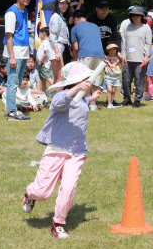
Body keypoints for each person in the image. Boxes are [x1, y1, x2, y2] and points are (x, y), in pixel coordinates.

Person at [22, 62, 102, 239]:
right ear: (76, 82)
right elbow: (59, 102)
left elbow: (80, 105)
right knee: (42, 192)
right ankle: (30, 194)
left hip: (77, 152)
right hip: (56, 149)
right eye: (85, 82)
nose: (88, 85)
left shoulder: (82, 100)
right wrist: (76, 89)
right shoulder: (62, 98)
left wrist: (92, 98)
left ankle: (58, 223)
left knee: (68, 188)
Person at [69, 9, 105, 110]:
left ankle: (83, 102)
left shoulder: (75, 28)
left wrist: (76, 58)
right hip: (100, 55)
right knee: (96, 81)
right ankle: (93, 104)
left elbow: (75, 47)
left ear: (76, 19)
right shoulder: (95, 26)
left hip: (85, 54)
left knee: (83, 80)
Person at [120, 7, 152, 108]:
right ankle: (127, 99)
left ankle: (137, 100)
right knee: (126, 80)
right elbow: (123, 42)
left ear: (141, 16)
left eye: (137, 15)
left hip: (140, 59)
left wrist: (146, 56)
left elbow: (148, 43)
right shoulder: (127, 27)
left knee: (139, 81)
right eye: (133, 15)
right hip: (128, 59)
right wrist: (123, 55)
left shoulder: (146, 28)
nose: (135, 17)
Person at [48, 0, 71, 83]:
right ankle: (57, 97)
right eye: (62, 3)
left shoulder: (61, 17)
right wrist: (57, 51)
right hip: (56, 47)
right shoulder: (56, 17)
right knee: (59, 77)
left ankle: (56, 96)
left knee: (58, 77)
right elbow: (53, 35)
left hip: (59, 47)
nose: (64, 5)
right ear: (57, 4)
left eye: (66, 3)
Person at [103, 43, 124, 108]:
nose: (112, 51)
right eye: (111, 50)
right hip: (108, 76)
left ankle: (111, 103)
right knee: (109, 90)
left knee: (113, 91)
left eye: (114, 49)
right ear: (107, 51)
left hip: (116, 77)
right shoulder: (106, 58)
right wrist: (104, 61)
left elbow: (122, 66)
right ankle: (109, 103)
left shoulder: (118, 58)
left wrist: (122, 59)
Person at [36, 27, 55, 92]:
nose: (40, 36)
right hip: (42, 63)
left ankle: (57, 88)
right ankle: (44, 93)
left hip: (44, 63)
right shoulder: (44, 42)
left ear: (44, 34)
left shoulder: (46, 42)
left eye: (40, 34)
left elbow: (45, 53)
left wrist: (41, 61)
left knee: (47, 77)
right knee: (43, 79)